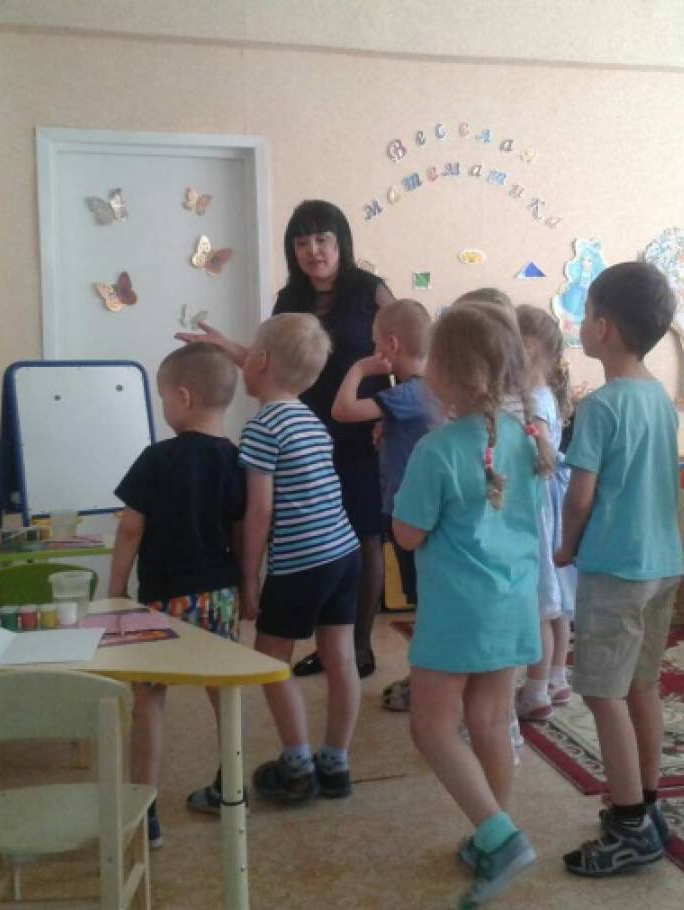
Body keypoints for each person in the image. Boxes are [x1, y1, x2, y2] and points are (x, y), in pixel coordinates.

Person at [178, 199, 393, 679]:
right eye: (301, 242)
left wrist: (395, 412)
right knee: (312, 535)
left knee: (363, 535)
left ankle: (358, 647)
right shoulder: (288, 299)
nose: (313, 250)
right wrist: (224, 346)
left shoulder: (371, 290)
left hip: (362, 432)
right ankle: (329, 644)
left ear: (340, 242)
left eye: (322, 239)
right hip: (302, 432)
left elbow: (408, 349)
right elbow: (268, 362)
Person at [391, 303, 553, 908]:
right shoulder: (527, 438)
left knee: (430, 726)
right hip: (512, 604)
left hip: (458, 612)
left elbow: (407, 534)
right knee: (490, 720)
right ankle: (494, 829)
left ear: (444, 372)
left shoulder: (437, 448)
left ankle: (499, 836)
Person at [551, 262, 683, 876]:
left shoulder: (601, 407)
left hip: (616, 567)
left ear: (602, 328)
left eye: (584, 315)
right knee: (641, 686)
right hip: (662, 564)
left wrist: (565, 547)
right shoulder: (660, 398)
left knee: (603, 693)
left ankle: (630, 824)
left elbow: (580, 497)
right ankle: (647, 802)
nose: (581, 326)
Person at [108, 342, 246, 847]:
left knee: (149, 698)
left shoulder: (157, 458)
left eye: (163, 397)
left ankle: (145, 811)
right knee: (223, 690)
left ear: (183, 397)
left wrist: (116, 592)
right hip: (219, 596)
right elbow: (242, 534)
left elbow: (130, 529)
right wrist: (246, 588)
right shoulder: (236, 460)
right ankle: (231, 786)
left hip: (162, 600)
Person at [238, 313, 363, 804]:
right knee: (341, 658)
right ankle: (336, 762)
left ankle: (297, 766)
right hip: (344, 552)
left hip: (301, 563)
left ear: (261, 362)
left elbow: (259, 511)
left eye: (248, 351)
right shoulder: (311, 420)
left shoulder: (262, 427)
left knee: (270, 659)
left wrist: (249, 578)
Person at [330, 299, 437, 712]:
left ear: (391, 345)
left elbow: (342, 410)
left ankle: (426, 682)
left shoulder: (409, 392)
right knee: (425, 600)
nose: (374, 352)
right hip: (420, 513)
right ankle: (425, 677)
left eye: (376, 344)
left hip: (413, 514)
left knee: (425, 604)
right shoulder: (428, 390)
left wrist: (359, 369)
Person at [514, 305, 575, 722]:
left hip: (539, 502)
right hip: (550, 499)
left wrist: (542, 451)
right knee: (555, 603)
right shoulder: (544, 393)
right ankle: (556, 677)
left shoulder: (534, 397)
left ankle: (536, 692)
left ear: (530, 351)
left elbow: (540, 441)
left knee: (541, 602)